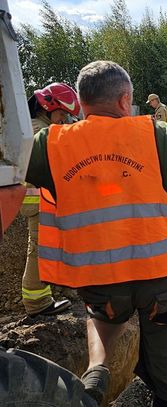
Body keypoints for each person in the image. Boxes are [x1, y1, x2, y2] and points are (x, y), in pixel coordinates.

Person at [26, 61, 167, 407]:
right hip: (164, 275)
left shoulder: (50, 142)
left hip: (100, 278)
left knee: (102, 316)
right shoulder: (157, 133)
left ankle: (97, 366)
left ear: (82, 102)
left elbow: (10, 182)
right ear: (124, 101)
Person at [21, 83, 80, 317]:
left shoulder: (34, 126)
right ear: (47, 107)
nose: (64, 119)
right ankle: (37, 304)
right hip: (37, 200)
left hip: (35, 198)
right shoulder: (39, 131)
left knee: (41, 248)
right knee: (37, 250)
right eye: (62, 113)